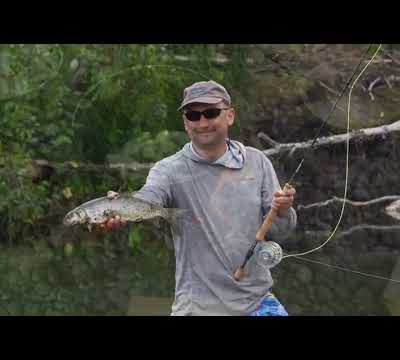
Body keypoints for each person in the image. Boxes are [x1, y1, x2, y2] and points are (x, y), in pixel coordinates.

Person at [98, 80, 297, 316]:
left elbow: (281, 231)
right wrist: (123, 205)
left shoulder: (257, 162)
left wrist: (283, 210)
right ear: (185, 123)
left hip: (258, 302)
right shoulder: (168, 170)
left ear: (230, 116)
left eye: (211, 113)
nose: (202, 122)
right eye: (193, 115)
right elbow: (149, 196)